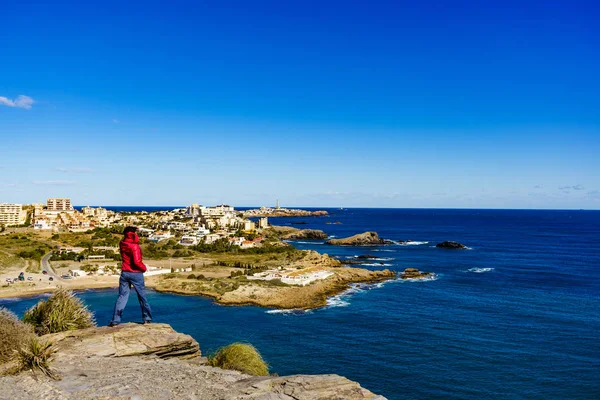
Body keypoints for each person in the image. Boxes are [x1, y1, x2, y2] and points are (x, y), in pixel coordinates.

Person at [109, 226, 152, 326]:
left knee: (122, 297)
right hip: (136, 273)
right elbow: (136, 262)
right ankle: (147, 318)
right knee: (142, 297)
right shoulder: (134, 246)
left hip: (124, 272)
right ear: (133, 234)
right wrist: (144, 268)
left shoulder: (122, 243)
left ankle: (115, 320)